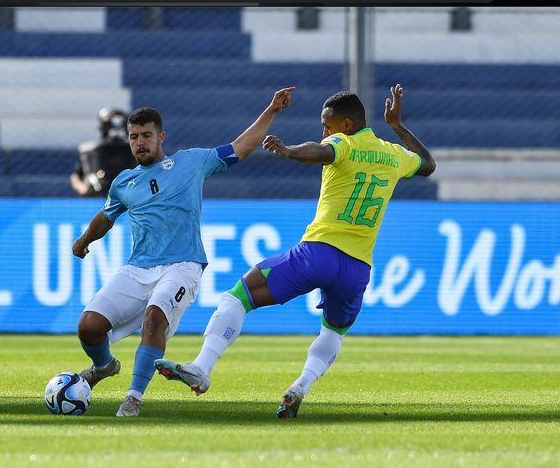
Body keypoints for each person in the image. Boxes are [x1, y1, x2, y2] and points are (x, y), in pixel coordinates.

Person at [154, 84, 436, 418]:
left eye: (327, 124)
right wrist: (398, 126)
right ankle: (299, 387)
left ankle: (202, 367)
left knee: (237, 296)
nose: (324, 130)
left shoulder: (343, 144)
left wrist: (288, 151)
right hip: (358, 268)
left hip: (319, 253)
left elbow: (320, 151)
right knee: (333, 332)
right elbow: (428, 164)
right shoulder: (393, 154)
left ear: (346, 125)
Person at [71, 87, 296, 417]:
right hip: (138, 268)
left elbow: (240, 148)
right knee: (88, 326)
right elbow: (105, 217)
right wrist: (83, 241)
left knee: (154, 318)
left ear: (161, 136)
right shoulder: (125, 182)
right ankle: (104, 367)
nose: (139, 143)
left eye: (146, 135)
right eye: (134, 137)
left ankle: (133, 398)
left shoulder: (191, 161)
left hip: (182, 266)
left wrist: (272, 110)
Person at [70, 108, 137, 197]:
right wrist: (84, 189)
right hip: (97, 197)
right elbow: (76, 176)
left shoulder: (135, 151)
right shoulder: (90, 152)